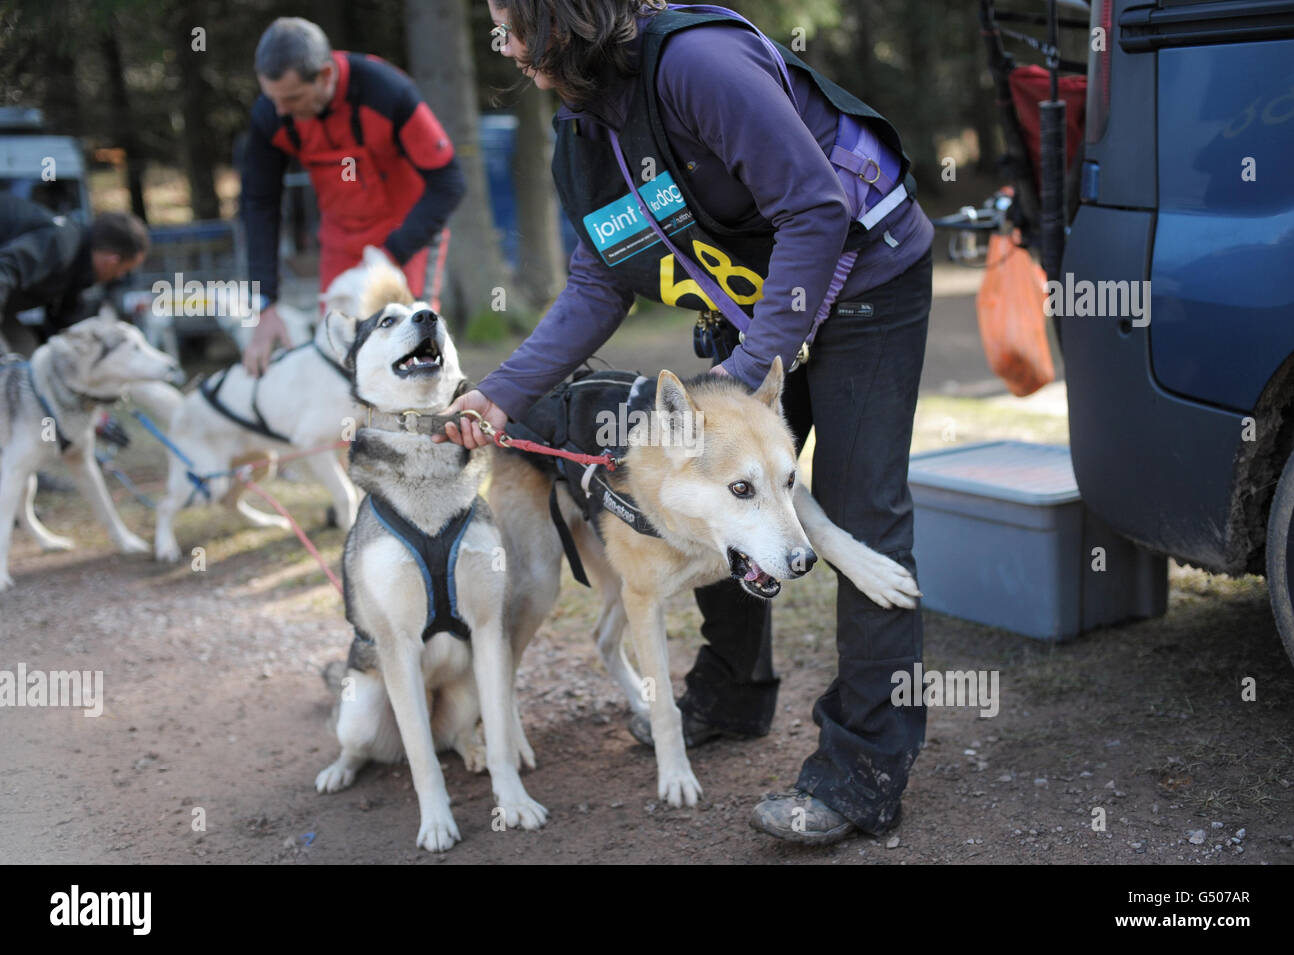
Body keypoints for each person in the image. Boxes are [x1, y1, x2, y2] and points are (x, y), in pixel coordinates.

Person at [439, 0, 932, 846]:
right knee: (712, 496)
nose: (505, 47)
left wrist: (737, 387)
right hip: (755, 303)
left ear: (564, 19)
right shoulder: (585, 130)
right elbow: (600, 283)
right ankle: (734, 694)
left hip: (861, 281)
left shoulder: (698, 66)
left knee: (856, 512)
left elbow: (815, 210)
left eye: (512, 25)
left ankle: (862, 772)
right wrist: (503, 393)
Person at [240, 17, 466, 376]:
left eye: (293, 98)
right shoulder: (272, 114)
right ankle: (349, 435)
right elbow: (259, 204)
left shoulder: (387, 92)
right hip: (341, 241)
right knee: (338, 357)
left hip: (404, 238)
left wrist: (392, 254)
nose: (281, 110)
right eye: (273, 99)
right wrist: (265, 303)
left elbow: (449, 181)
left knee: (412, 350)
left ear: (326, 75)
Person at [0, 195, 149, 356]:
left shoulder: (78, 269)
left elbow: (67, 327)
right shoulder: (61, 245)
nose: (119, 276)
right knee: (12, 357)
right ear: (112, 260)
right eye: (124, 270)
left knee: (23, 348)